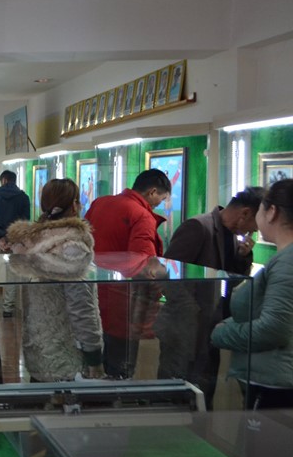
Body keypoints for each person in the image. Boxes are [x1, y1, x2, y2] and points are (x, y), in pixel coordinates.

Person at [157, 187, 263, 407]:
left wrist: (243, 258)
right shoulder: (198, 227)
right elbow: (166, 274)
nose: (252, 232)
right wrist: (191, 309)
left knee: (203, 393)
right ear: (245, 213)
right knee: (174, 394)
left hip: (210, 326)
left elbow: (231, 281)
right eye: (253, 226)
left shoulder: (233, 237)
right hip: (184, 327)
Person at [4, 179, 103, 382]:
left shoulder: (31, 241)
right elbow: (81, 305)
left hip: (37, 345)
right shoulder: (72, 247)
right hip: (67, 351)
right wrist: (93, 352)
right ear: (74, 205)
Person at [212, 179, 293, 409]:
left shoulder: (287, 262)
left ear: (272, 212)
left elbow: (274, 329)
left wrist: (221, 333)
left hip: (275, 386)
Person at [85, 168, 170, 378]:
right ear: (152, 191)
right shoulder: (142, 215)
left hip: (90, 295)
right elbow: (143, 264)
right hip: (121, 303)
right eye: (161, 198)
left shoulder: (100, 203)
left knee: (92, 364)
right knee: (119, 369)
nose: (159, 204)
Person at [0, 169, 31, 317]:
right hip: (14, 243)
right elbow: (24, 222)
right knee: (12, 276)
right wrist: (11, 240)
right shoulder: (23, 197)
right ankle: (8, 308)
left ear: (3, 180)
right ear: (14, 180)